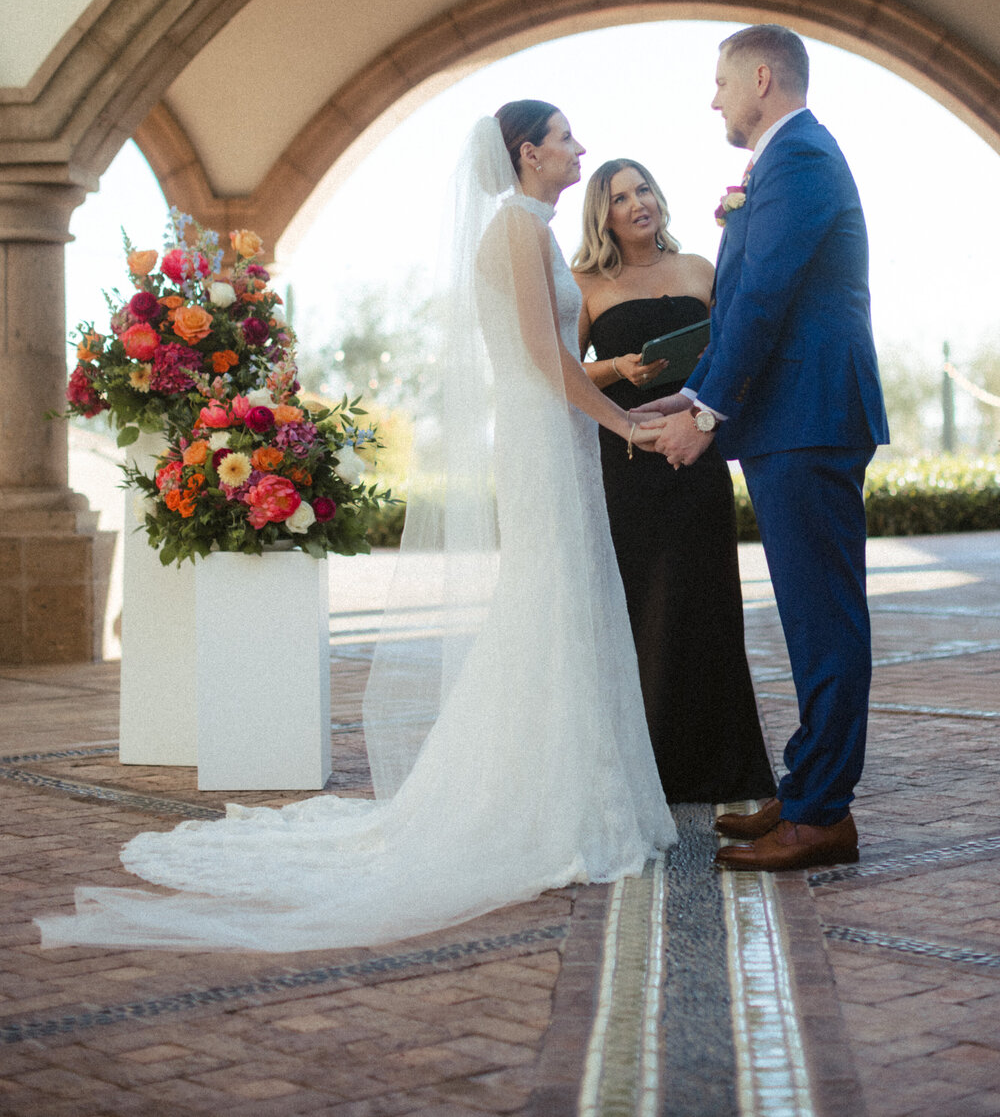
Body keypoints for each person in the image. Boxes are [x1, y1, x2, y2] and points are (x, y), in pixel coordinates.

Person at [37, 103, 675, 953]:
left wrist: (623, 394)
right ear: (528, 153)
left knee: (564, 597)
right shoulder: (518, 230)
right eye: (565, 137)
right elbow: (538, 357)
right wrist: (626, 424)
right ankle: (545, 801)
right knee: (552, 597)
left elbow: (556, 357)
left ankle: (573, 788)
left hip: (552, 429)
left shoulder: (536, 229)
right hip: (541, 436)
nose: (580, 148)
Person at [634, 26, 888, 873]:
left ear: (764, 77)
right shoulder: (786, 161)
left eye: (720, 81)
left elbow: (767, 298)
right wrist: (690, 388)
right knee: (812, 614)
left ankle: (823, 817)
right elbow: (738, 302)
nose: (714, 98)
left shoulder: (801, 158)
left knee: (824, 618)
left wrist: (704, 414)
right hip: (792, 417)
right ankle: (811, 783)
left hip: (809, 417)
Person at [572, 159, 775, 804]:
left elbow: (734, 349)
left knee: (706, 600)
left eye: (644, 190)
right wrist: (617, 369)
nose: (638, 204)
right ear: (601, 216)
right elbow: (560, 372)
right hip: (626, 459)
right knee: (641, 607)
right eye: (619, 198)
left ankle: (722, 765)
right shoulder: (584, 285)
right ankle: (647, 770)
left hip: (696, 451)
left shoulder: (697, 270)